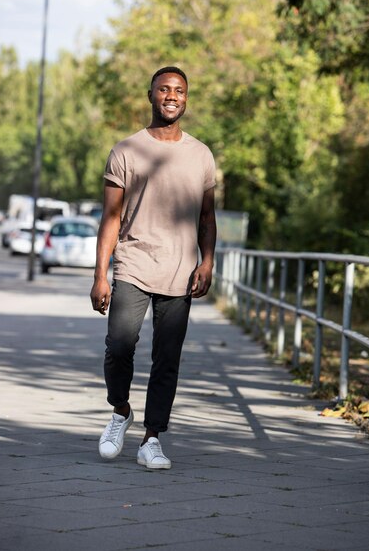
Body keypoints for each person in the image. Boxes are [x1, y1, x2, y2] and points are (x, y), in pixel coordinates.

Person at [90, 66, 216, 470]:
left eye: (180, 90)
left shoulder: (201, 154)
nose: (172, 96)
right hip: (133, 264)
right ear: (151, 95)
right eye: (165, 89)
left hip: (180, 273)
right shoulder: (127, 150)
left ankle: (152, 438)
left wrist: (208, 261)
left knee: (167, 358)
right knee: (120, 346)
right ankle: (120, 411)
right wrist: (99, 275)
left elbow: (207, 218)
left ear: (186, 98)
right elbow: (110, 217)